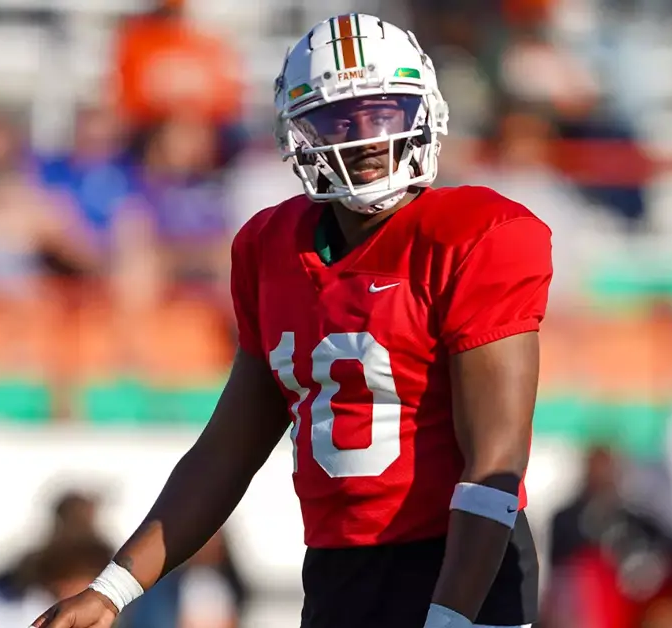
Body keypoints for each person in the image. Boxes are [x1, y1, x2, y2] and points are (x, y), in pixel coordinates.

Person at [33, 13, 551, 628]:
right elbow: (227, 450)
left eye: (383, 113)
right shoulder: (269, 246)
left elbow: (495, 458)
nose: (364, 139)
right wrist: (114, 589)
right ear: (298, 134)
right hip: (338, 568)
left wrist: (450, 616)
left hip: (464, 559)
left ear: (423, 114)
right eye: (339, 120)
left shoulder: (479, 235)